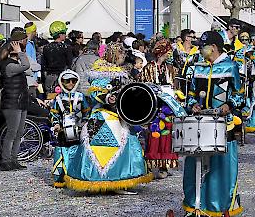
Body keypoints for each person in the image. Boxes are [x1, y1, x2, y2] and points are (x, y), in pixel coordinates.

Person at [64, 43, 151, 194]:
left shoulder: (121, 72)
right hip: (102, 116)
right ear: (114, 54)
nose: (123, 57)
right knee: (99, 149)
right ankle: (97, 181)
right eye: (121, 54)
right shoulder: (100, 72)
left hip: (118, 116)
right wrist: (108, 97)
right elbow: (94, 92)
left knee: (124, 147)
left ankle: (118, 182)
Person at [183, 31, 243, 217]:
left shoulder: (231, 66)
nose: (199, 50)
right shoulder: (198, 68)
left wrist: (229, 105)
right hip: (200, 123)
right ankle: (195, 203)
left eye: (202, 47)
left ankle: (220, 206)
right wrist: (191, 104)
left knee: (221, 166)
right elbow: (191, 93)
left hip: (224, 124)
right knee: (195, 163)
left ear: (214, 48)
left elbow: (240, 94)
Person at [138, 39, 178, 178]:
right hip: (154, 107)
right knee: (154, 135)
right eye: (167, 52)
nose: (169, 55)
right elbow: (142, 87)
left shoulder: (170, 69)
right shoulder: (148, 68)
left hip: (168, 106)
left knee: (167, 135)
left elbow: (174, 86)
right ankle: (152, 165)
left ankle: (164, 165)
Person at [0, 31, 31, 171]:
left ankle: (14, 160)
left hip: (20, 102)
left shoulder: (15, 64)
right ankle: (6, 161)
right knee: (11, 133)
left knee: (19, 133)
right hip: (11, 104)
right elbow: (27, 66)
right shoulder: (8, 65)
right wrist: (21, 53)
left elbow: (29, 68)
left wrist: (21, 55)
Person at [50, 70, 90, 187]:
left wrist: (84, 125)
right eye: (67, 81)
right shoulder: (58, 99)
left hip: (78, 131)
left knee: (77, 153)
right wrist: (56, 124)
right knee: (61, 153)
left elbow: (87, 113)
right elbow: (54, 114)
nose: (71, 83)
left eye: (73, 81)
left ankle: (76, 176)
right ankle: (59, 178)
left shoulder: (81, 97)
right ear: (62, 82)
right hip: (63, 131)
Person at [42, 21, 74, 93]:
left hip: (49, 78)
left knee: (50, 99)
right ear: (60, 34)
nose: (65, 35)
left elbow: (43, 65)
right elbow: (70, 64)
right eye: (64, 33)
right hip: (63, 77)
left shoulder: (46, 48)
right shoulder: (66, 47)